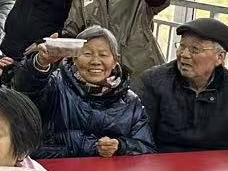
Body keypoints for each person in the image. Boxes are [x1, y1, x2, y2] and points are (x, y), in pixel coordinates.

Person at [139, 18, 228, 153]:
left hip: (217, 164)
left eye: (195, 49)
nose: (184, 55)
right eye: (182, 46)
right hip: (165, 161)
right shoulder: (155, 81)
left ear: (219, 58)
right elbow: (141, 138)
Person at [14, 27, 154, 159]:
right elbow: (27, 93)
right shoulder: (56, 85)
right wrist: (41, 63)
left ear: (115, 61)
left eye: (103, 55)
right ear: (74, 58)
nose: (95, 61)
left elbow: (146, 149)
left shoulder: (130, 102)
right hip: (54, 169)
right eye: (87, 54)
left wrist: (120, 146)